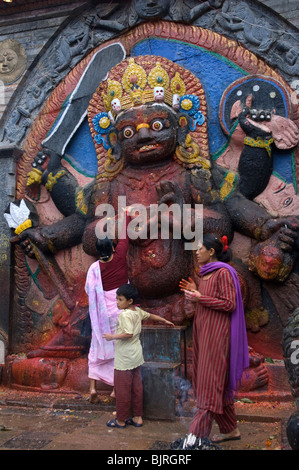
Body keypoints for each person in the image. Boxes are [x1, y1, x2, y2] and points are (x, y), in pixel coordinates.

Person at [179, 233, 249, 443]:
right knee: (213, 381)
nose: (196, 252)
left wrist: (200, 297)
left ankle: (195, 438)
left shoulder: (224, 273)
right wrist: (195, 294)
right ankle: (230, 430)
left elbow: (229, 304)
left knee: (210, 384)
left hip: (218, 337)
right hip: (204, 334)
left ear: (211, 252)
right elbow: (208, 302)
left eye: (200, 248)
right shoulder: (205, 274)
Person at [103, 283, 174, 428]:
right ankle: (137, 417)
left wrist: (112, 336)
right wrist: (164, 320)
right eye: (116, 299)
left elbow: (128, 333)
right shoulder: (136, 311)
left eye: (120, 299)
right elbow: (150, 315)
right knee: (136, 388)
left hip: (125, 358)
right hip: (136, 356)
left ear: (129, 301)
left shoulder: (125, 315)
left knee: (122, 390)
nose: (117, 302)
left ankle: (121, 420)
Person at [85, 214, 129, 403]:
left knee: (97, 348)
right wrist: (126, 216)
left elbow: (89, 289)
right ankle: (114, 390)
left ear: (97, 253)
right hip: (119, 310)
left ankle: (93, 388)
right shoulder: (119, 257)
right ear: (112, 248)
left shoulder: (95, 268)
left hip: (101, 315)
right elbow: (125, 237)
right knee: (118, 349)